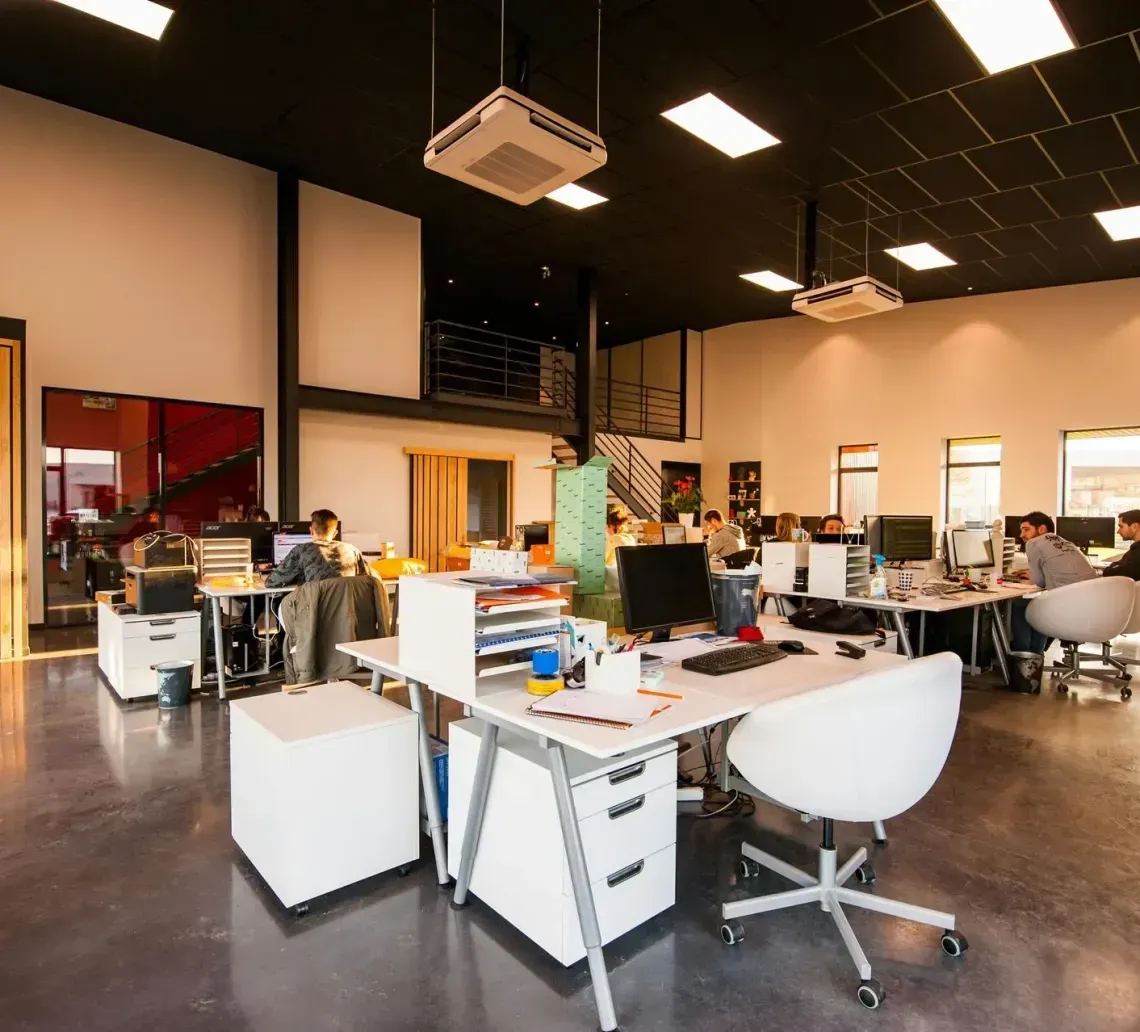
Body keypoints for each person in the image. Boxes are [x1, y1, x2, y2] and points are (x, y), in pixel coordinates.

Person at [1010, 511, 1096, 652]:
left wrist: (1032, 575)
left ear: (1042, 529)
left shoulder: (1033, 543)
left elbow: (1038, 583)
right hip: (1089, 607)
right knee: (1039, 606)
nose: (1021, 535)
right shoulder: (1067, 542)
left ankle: (1024, 654)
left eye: (1026, 529)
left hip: (1066, 607)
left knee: (1019, 606)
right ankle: (1037, 657)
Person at [265, 509, 368, 587]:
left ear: (311, 530)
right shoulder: (352, 550)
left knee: (279, 604)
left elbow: (271, 582)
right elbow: (371, 579)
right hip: (346, 612)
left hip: (314, 612)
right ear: (335, 533)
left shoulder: (301, 550)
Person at [1102, 509, 1140, 580]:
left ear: (1135, 527)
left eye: (1121, 526)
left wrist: (1110, 568)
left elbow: (1113, 572)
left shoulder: (1137, 552)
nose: (1118, 531)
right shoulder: (1135, 549)